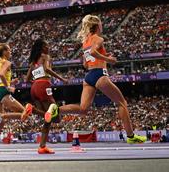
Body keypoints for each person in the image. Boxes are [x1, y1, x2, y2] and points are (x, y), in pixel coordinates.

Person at [74, 15, 146, 143]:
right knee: (122, 103)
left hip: (89, 75)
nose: (102, 26)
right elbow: (93, 53)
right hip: (99, 74)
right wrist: (109, 59)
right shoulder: (98, 39)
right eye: (101, 23)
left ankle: (57, 109)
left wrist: (103, 55)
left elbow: (85, 64)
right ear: (97, 26)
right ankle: (130, 137)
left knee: (83, 109)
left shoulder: (85, 42)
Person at [0, 42, 36, 155]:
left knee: (0, 123)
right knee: (25, 112)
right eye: (8, 50)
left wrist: (11, 82)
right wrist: (8, 87)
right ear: (4, 52)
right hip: (3, 92)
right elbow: (2, 75)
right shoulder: (7, 62)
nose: (10, 52)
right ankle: (3, 116)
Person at [25, 38, 71, 154]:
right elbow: (47, 69)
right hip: (44, 86)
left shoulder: (33, 62)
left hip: (34, 87)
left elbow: (27, 79)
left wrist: (36, 83)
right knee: (56, 116)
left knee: (48, 119)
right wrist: (62, 78)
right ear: (42, 48)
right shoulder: (45, 57)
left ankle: (42, 146)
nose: (48, 47)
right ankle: (32, 109)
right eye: (46, 45)